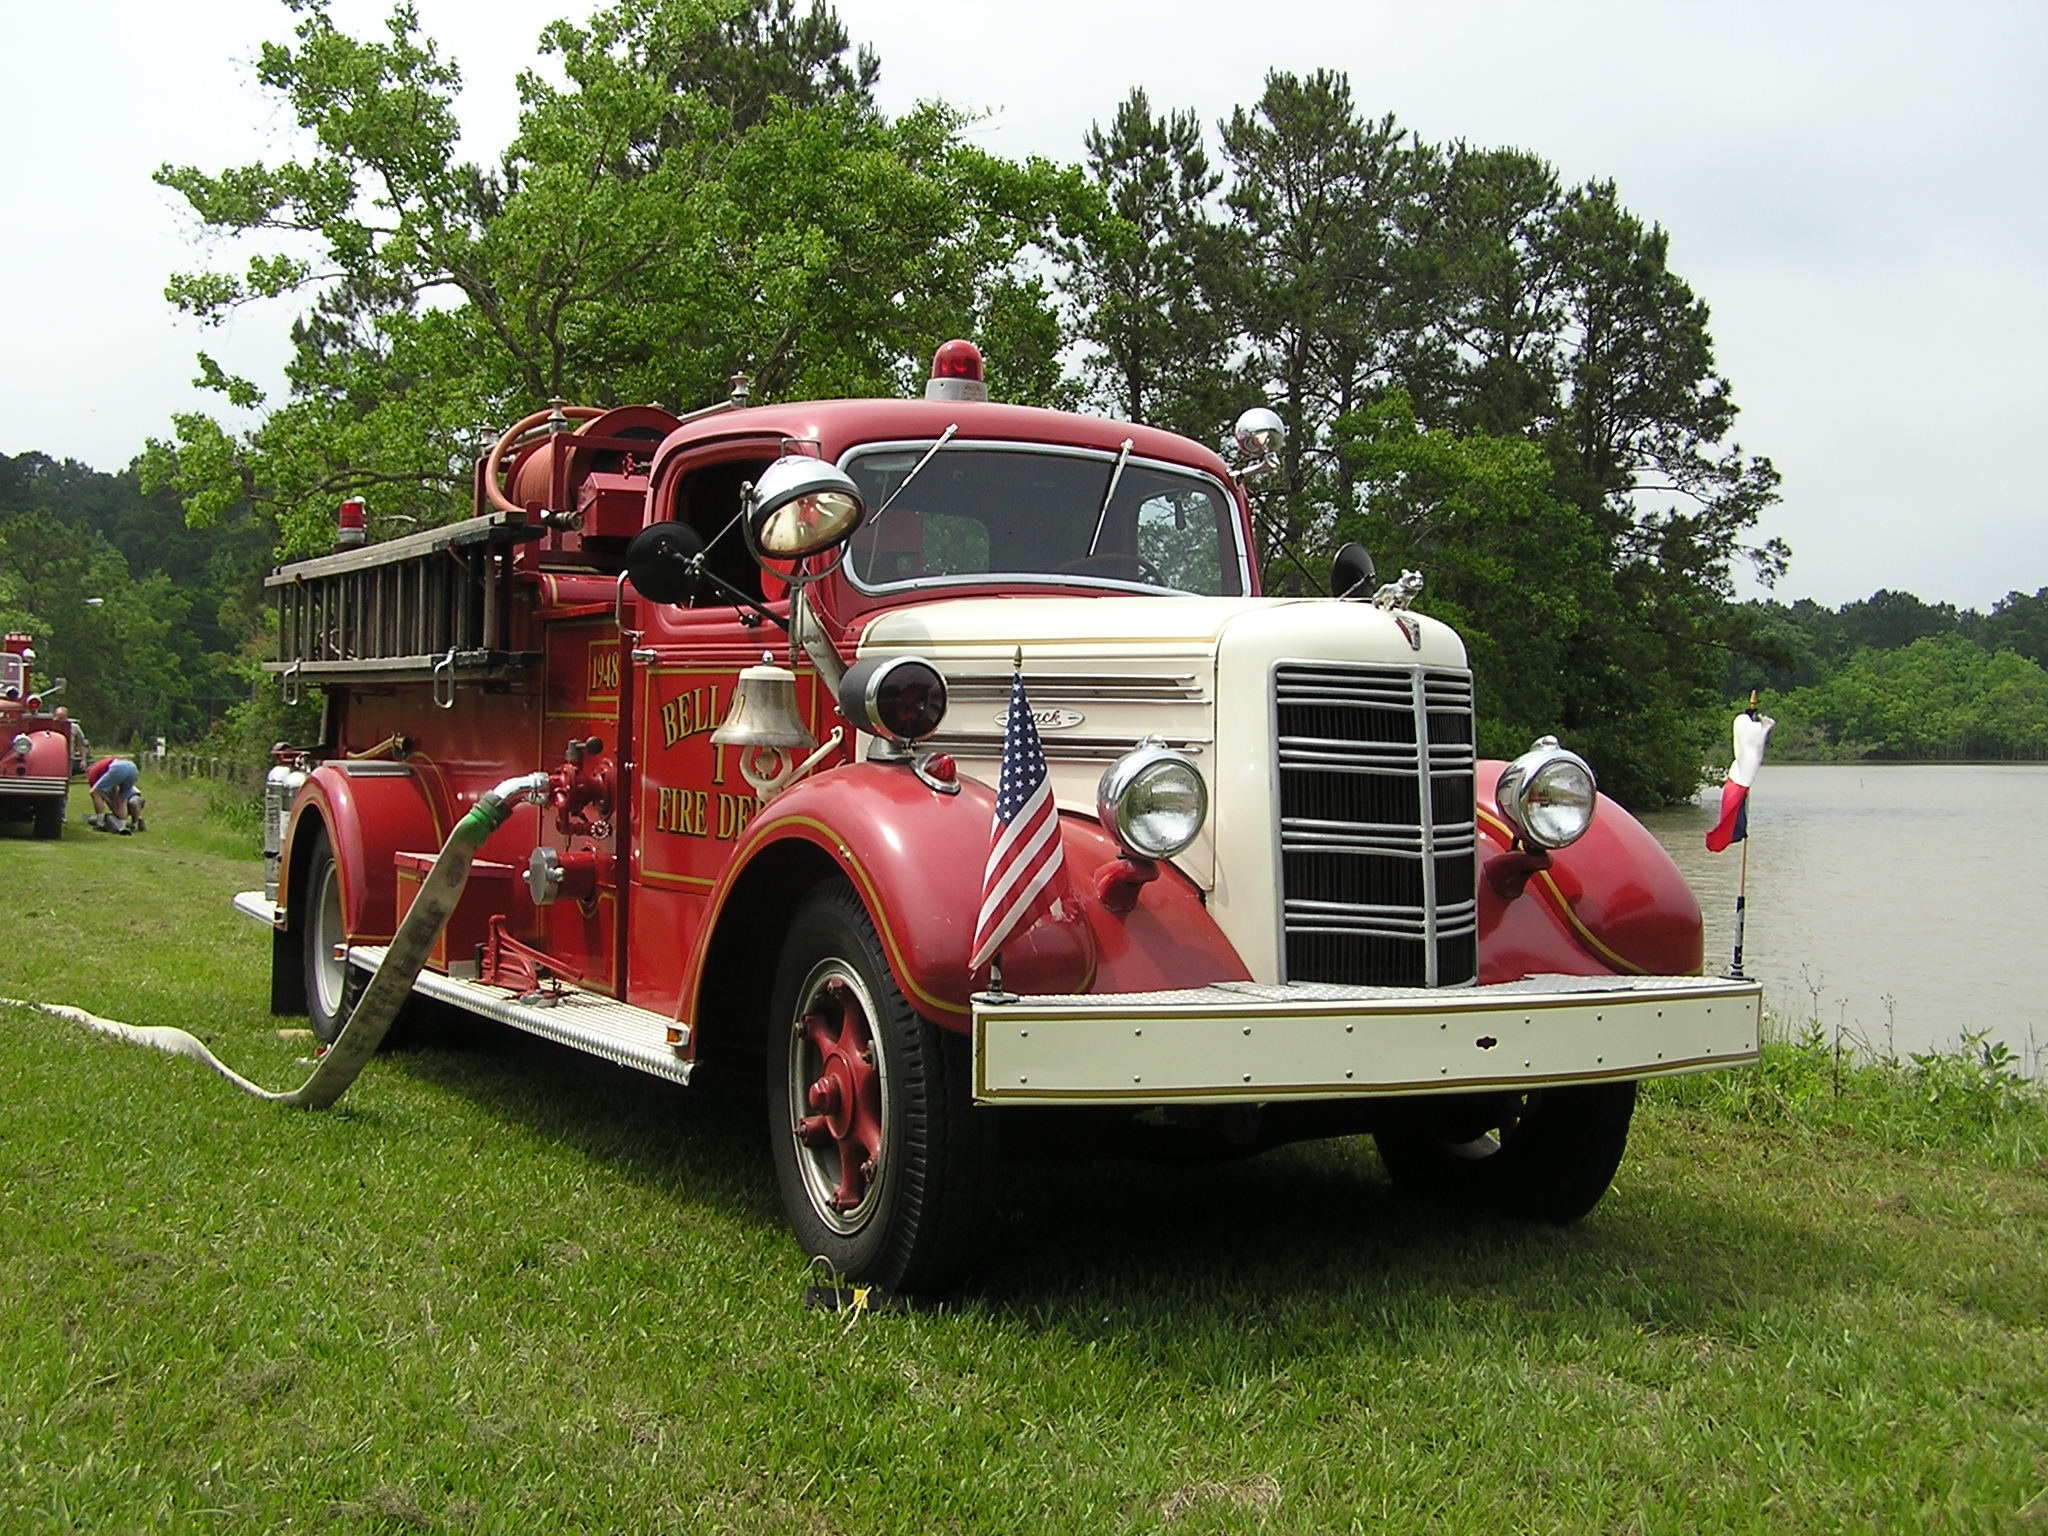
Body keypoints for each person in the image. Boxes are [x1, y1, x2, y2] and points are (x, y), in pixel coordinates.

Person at [87, 755, 145, 834]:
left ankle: (100, 824)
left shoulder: (92, 776)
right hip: (133, 768)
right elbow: (114, 790)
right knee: (122, 799)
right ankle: (122, 827)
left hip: (118, 768)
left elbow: (99, 795)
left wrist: (111, 808)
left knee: (94, 793)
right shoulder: (102, 766)